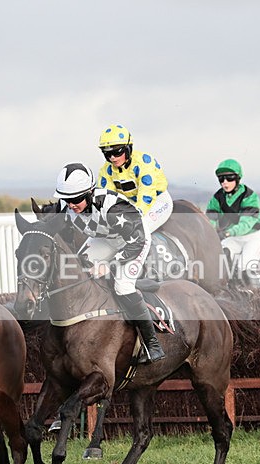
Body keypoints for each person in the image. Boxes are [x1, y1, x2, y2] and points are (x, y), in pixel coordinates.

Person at [53, 162, 164, 363]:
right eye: (66, 199)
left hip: (133, 241)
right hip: (106, 238)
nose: (70, 205)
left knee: (122, 285)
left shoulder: (114, 208)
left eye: (76, 199)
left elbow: (136, 241)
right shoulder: (67, 205)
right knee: (80, 267)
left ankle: (152, 344)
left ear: (89, 193)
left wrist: (110, 265)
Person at [206, 158, 260, 289]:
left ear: (237, 179)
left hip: (253, 237)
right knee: (221, 261)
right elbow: (211, 219)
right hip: (232, 238)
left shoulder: (249, 196)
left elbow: (246, 223)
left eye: (229, 178)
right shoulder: (217, 198)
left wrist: (229, 232)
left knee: (244, 268)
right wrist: (212, 232)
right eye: (221, 179)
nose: (225, 183)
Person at [97, 124, 173, 234]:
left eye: (117, 152)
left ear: (128, 148)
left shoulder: (144, 163)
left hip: (157, 201)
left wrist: (131, 217)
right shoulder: (106, 170)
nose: (112, 157)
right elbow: (107, 199)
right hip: (131, 203)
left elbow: (146, 196)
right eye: (107, 153)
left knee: (136, 232)